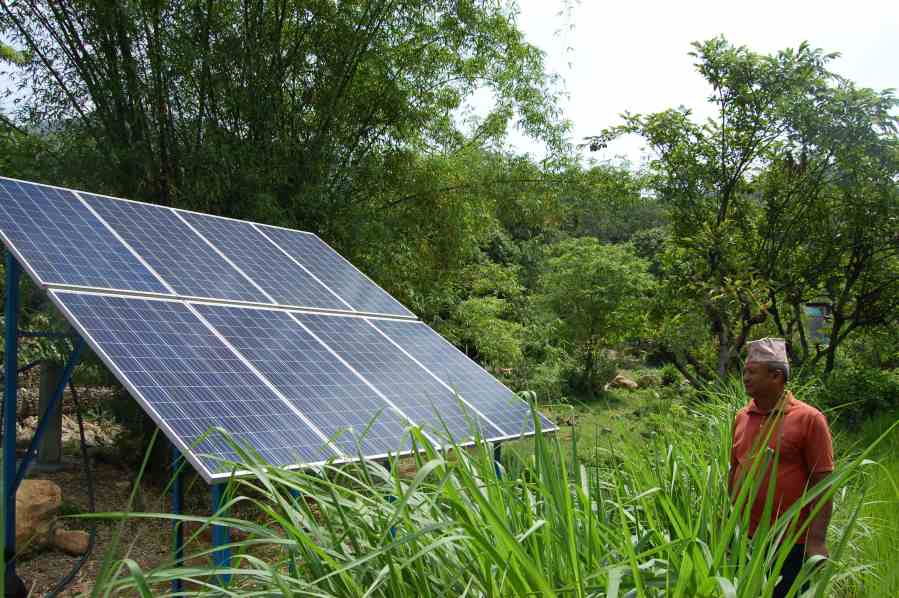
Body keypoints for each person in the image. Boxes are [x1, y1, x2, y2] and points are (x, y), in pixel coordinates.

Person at [729, 338, 834, 598]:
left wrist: (817, 539)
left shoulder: (809, 418)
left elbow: (823, 481)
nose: (745, 377)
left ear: (776, 376)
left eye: (752, 371)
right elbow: (734, 470)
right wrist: (728, 524)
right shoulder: (742, 417)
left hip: (791, 541)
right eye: (745, 371)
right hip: (747, 539)